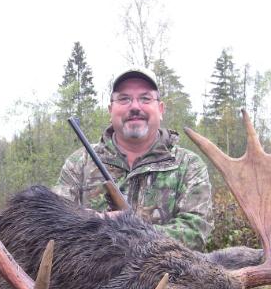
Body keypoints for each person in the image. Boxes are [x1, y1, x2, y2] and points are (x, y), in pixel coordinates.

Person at [53, 67, 213, 250]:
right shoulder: (79, 163)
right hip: (92, 277)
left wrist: (125, 231)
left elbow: (195, 232)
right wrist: (98, 220)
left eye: (145, 98)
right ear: (110, 109)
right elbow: (54, 224)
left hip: (164, 276)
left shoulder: (188, 165)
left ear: (160, 109)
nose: (135, 107)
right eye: (124, 99)